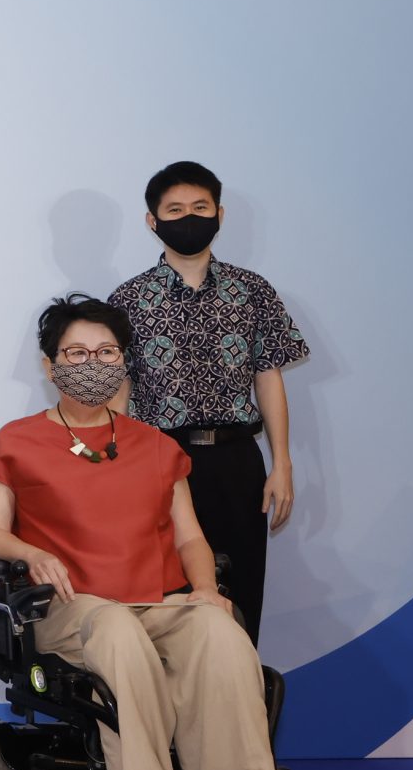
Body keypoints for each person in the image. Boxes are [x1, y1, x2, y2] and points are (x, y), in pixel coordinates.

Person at [0, 294, 292, 770]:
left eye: (106, 351)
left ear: (124, 360)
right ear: (50, 366)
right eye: (76, 352)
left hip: (159, 603)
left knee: (220, 633)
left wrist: (206, 591)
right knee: (118, 629)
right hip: (72, 608)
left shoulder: (156, 445)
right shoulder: (15, 441)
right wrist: (31, 552)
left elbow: (190, 536)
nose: (92, 363)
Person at [108, 160, 310, 643]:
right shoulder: (127, 300)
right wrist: (110, 471)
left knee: (240, 594)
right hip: (160, 464)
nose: (188, 217)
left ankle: (237, 702)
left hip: (239, 461)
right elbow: (118, 392)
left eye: (199, 207)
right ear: (152, 221)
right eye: (174, 209)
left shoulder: (253, 291)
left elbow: (269, 377)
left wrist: (281, 463)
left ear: (219, 214)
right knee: (170, 599)